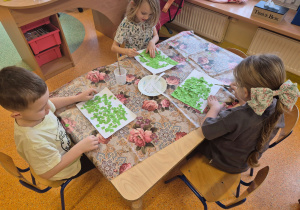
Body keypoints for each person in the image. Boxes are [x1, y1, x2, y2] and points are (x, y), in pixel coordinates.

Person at [197, 54, 299, 173]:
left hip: (221, 161)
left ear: (245, 92)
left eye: (238, 84)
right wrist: (243, 98)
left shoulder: (237, 115)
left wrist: (215, 107)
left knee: (194, 139)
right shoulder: (277, 106)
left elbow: (206, 129)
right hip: (242, 163)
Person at [0, 66, 99, 181]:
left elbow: (51, 103)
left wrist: (77, 98)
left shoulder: (32, 113)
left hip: (64, 146)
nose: (48, 108)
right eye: (42, 108)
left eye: (47, 100)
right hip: (66, 168)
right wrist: (80, 149)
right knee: (100, 153)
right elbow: (46, 174)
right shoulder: (33, 142)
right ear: (17, 115)